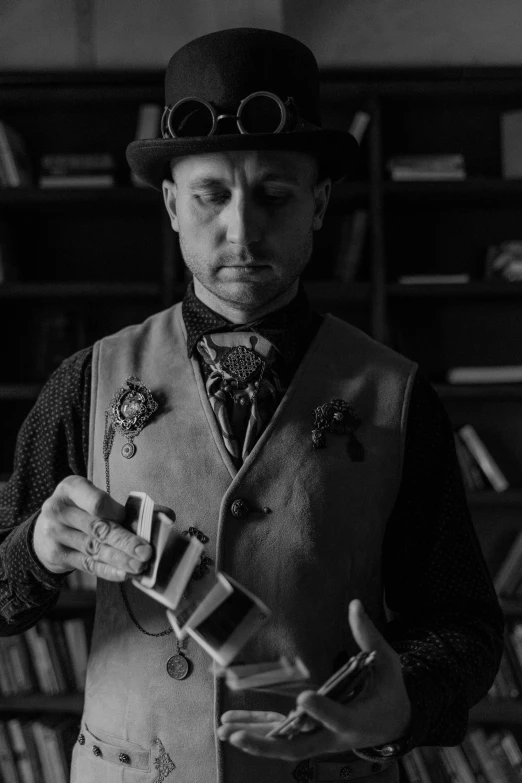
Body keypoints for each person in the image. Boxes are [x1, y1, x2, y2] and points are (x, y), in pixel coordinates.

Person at [0, 27, 503, 783]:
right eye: (210, 195)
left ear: (321, 204)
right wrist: (34, 549)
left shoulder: (397, 396)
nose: (241, 229)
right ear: (172, 204)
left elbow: (464, 626)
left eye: (274, 194)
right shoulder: (85, 382)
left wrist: (403, 702)